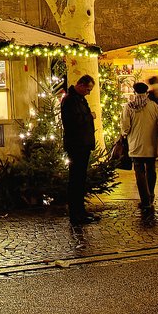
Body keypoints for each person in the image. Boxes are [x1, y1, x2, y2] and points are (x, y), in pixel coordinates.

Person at [123, 82, 158, 216]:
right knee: (151, 169)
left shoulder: (129, 107)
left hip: (135, 145)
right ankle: (151, 193)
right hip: (151, 144)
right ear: (146, 92)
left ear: (134, 92)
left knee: (139, 172)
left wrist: (125, 134)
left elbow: (125, 127)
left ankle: (145, 199)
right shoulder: (153, 106)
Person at [59, 75, 98, 223]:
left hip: (83, 144)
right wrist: (90, 116)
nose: (88, 92)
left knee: (80, 179)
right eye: (88, 89)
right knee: (76, 179)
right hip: (77, 144)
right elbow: (73, 121)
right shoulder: (70, 100)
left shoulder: (79, 99)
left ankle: (80, 211)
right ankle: (75, 214)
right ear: (80, 85)